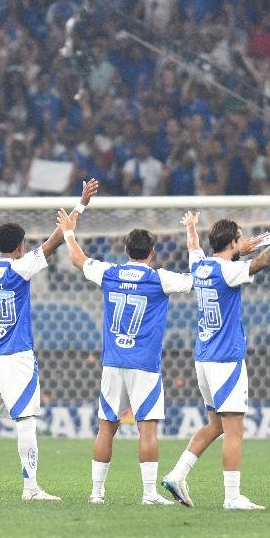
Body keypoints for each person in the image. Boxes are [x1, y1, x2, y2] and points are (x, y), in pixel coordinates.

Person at [0, 176, 98, 502]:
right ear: (21, 246)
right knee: (25, 420)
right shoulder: (21, 268)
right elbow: (54, 243)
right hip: (17, 357)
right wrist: (79, 206)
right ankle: (30, 488)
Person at [162, 209, 270, 511]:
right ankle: (232, 497)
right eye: (240, 238)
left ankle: (177, 474)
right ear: (232, 243)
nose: (244, 241)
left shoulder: (201, 267)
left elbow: (194, 249)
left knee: (215, 424)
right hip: (225, 359)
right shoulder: (228, 271)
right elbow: (264, 261)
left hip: (203, 357)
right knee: (234, 428)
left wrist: (191, 228)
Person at [58, 208, 192, 506]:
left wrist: (69, 231)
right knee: (147, 428)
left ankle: (96, 493)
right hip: (144, 365)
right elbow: (195, 280)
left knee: (107, 426)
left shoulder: (110, 272)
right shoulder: (160, 279)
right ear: (152, 252)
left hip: (113, 362)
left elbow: (78, 259)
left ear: (126, 250)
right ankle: (148, 494)